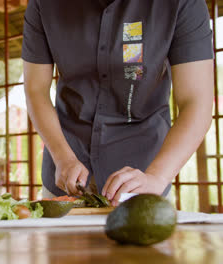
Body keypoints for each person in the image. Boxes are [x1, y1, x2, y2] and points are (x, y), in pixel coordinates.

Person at [22, 0, 214, 206]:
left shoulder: (183, 3)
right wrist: (63, 157)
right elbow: (36, 90)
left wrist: (156, 177)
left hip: (143, 178)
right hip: (65, 175)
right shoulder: (44, 4)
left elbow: (196, 102)